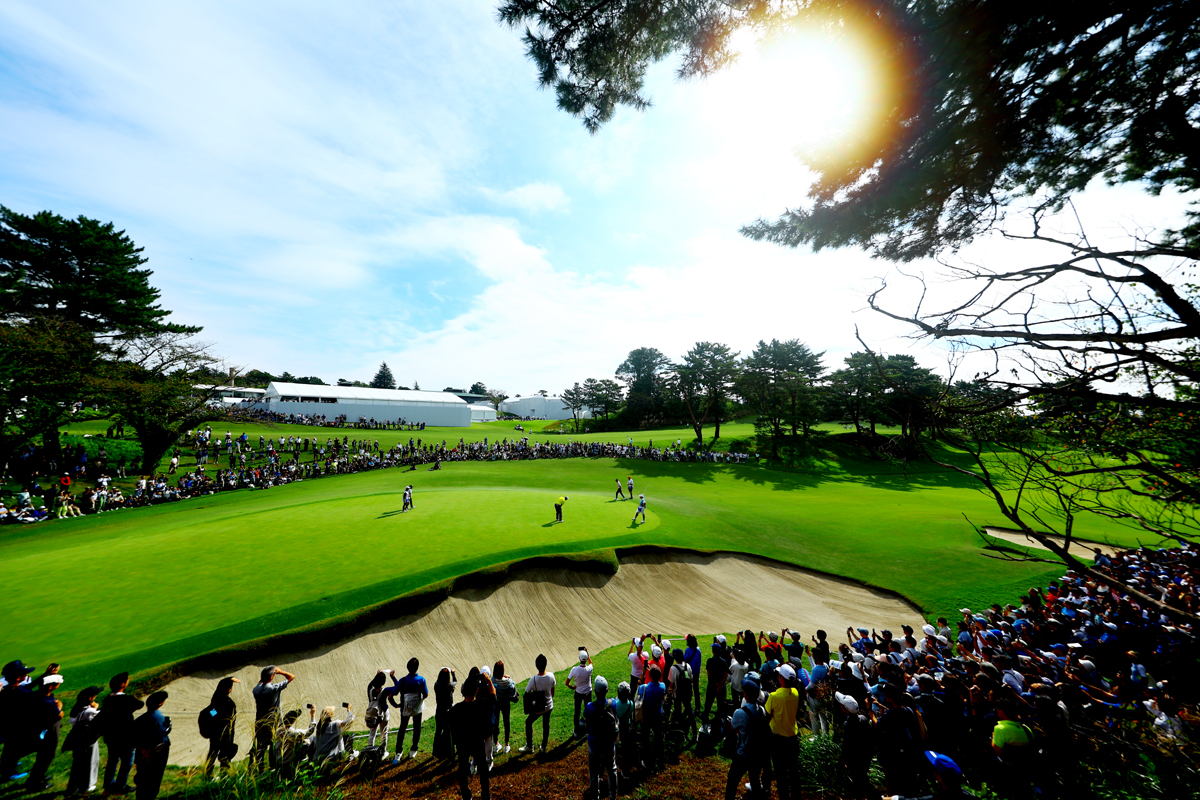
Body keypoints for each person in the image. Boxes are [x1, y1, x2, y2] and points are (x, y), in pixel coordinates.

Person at [102, 671, 145, 794]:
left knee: (112, 761)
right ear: (123, 684)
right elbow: (140, 704)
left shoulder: (107, 700)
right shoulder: (128, 699)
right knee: (127, 762)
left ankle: (108, 785)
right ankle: (121, 785)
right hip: (125, 736)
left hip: (111, 736)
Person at [725, 678, 766, 800]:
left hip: (743, 752)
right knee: (755, 779)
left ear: (745, 694)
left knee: (732, 781)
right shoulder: (761, 710)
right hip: (756, 752)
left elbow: (732, 728)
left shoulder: (740, 713)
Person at [764, 664, 800, 800]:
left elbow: (767, 713)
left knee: (781, 773)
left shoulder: (774, 696)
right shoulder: (795, 692)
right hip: (793, 738)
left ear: (782, 679)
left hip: (778, 739)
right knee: (793, 771)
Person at [251, 665, 295, 771]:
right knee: (273, 746)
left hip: (260, 722)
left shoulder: (256, 690)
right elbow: (291, 677)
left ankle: (259, 770)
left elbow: (260, 683)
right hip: (273, 722)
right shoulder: (273, 689)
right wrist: (280, 672)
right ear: (271, 677)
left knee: (260, 748)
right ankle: (272, 768)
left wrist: (267, 674)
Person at [452, 674, 490, 800]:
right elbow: (494, 697)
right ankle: (485, 795)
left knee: (462, 769)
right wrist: (489, 681)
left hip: (463, 744)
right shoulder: (481, 705)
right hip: (477, 742)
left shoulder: (456, 709)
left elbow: (450, 725)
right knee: (483, 769)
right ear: (477, 691)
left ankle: (466, 795)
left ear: (463, 691)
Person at [25, 674, 64, 791]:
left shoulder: (35, 696)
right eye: (57, 684)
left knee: (42, 756)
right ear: (50, 687)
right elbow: (59, 714)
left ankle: (36, 777)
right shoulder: (48, 702)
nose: (59, 685)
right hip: (49, 732)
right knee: (46, 756)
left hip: (38, 729)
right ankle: (35, 783)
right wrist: (59, 705)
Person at [583, 676, 619, 800]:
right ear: (607, 690)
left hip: (595, 745)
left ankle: (595, 797)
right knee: (612, 770)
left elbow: (586, 720)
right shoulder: (613, 704)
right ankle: (613, 796)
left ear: (595, 692)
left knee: (594, 773)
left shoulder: (589, 707)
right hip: (609, 744)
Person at [64, 685, 103, 796]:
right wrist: (96, 708)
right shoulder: (90, 710)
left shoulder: (77, 708)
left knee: (77, 763)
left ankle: (73, 786)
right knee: (90, 761)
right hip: (88, 738)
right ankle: (87, 785)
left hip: (77, 738)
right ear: (90, 697)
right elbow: (97, 719)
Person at [132, 691, 170, 800]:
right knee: (154, 780)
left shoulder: (140, 719)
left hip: (141, 753)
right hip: (156, 755)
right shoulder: (160, 718)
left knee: (142, 781)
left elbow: (132, 738)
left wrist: (142, 750)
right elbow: (160, 741)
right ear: (160, 704)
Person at [392, 658, 428, 764]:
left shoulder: (402, 681)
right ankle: (413, 749)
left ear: (407, 667)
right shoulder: (421, 680)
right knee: (417, 728)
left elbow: (391, 695)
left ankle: (398, 751)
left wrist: (395, 705)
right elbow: (425, 694)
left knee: (402, 728)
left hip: (404, 707)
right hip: (417, 707)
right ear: (417, 668)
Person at [203, 677, 240, 779]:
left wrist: (229, 679)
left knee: (212, 754)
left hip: (215, 732)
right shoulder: (229, 703)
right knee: (225, 756)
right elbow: (231, 720)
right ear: (229, 690)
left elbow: (213, 712)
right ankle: (224, 775)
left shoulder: (216, 698)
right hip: (226, 734)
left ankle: (208, 775)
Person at [519, 654, 555, 755]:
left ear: (536, 666)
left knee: (528, 722)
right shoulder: (551, 676)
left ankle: (530, 746)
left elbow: (526, 693)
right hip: (549, 706)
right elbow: (552, 691)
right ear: (546, 664)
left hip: (538, 708)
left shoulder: (533, 679)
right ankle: (543, 747)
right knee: (546, 725)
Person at [636, 665, 666, 771]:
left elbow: (638, 690)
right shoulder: (663, 686)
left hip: (647, 717)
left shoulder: (644, 688)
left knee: (646, 739)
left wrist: (643, 673)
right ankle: (661, 760)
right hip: (658, 715)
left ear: (650, 675)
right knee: (659, 738)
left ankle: (646, 761)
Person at [365, 669, 398, 753]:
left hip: (372, 714)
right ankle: (383, 751)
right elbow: (397, 687)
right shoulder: (385, 691)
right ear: (383, 682)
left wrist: (377, 675)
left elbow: (370, 684)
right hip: (383, 714)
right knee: (384, 732)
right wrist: (393, 677)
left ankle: (369, 750)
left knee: (372, 732)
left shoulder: (370, 690)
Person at [491, 662, 517, 754]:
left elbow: (492, 680)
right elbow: (514, 691)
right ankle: (506, 745)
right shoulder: (508, 681)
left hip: (496, 703)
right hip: (505, 703)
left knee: (496, 723)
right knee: (507, 722)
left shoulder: (493, 680)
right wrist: (508, 677)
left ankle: (496, 744)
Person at [567, 649, 594, 738]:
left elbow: (567, 682)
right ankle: (589, 729)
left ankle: (576, 730)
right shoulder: (589, 669)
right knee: (588, 711)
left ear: (579, 658)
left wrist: (572, 687)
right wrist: (587, 654)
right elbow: (591, 663)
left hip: (578, 692)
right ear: (586, 659)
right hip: (588, 692)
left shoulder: (574, 670)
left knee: (577, 712)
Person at [432, 668, 458, 760]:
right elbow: (455, 681)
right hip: (448, 711)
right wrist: (453, 673)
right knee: (448, 732)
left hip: (439, 710)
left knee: (438, 731)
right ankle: (449, 752)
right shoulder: (449, 686)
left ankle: (434, 752)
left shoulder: (436, 685)